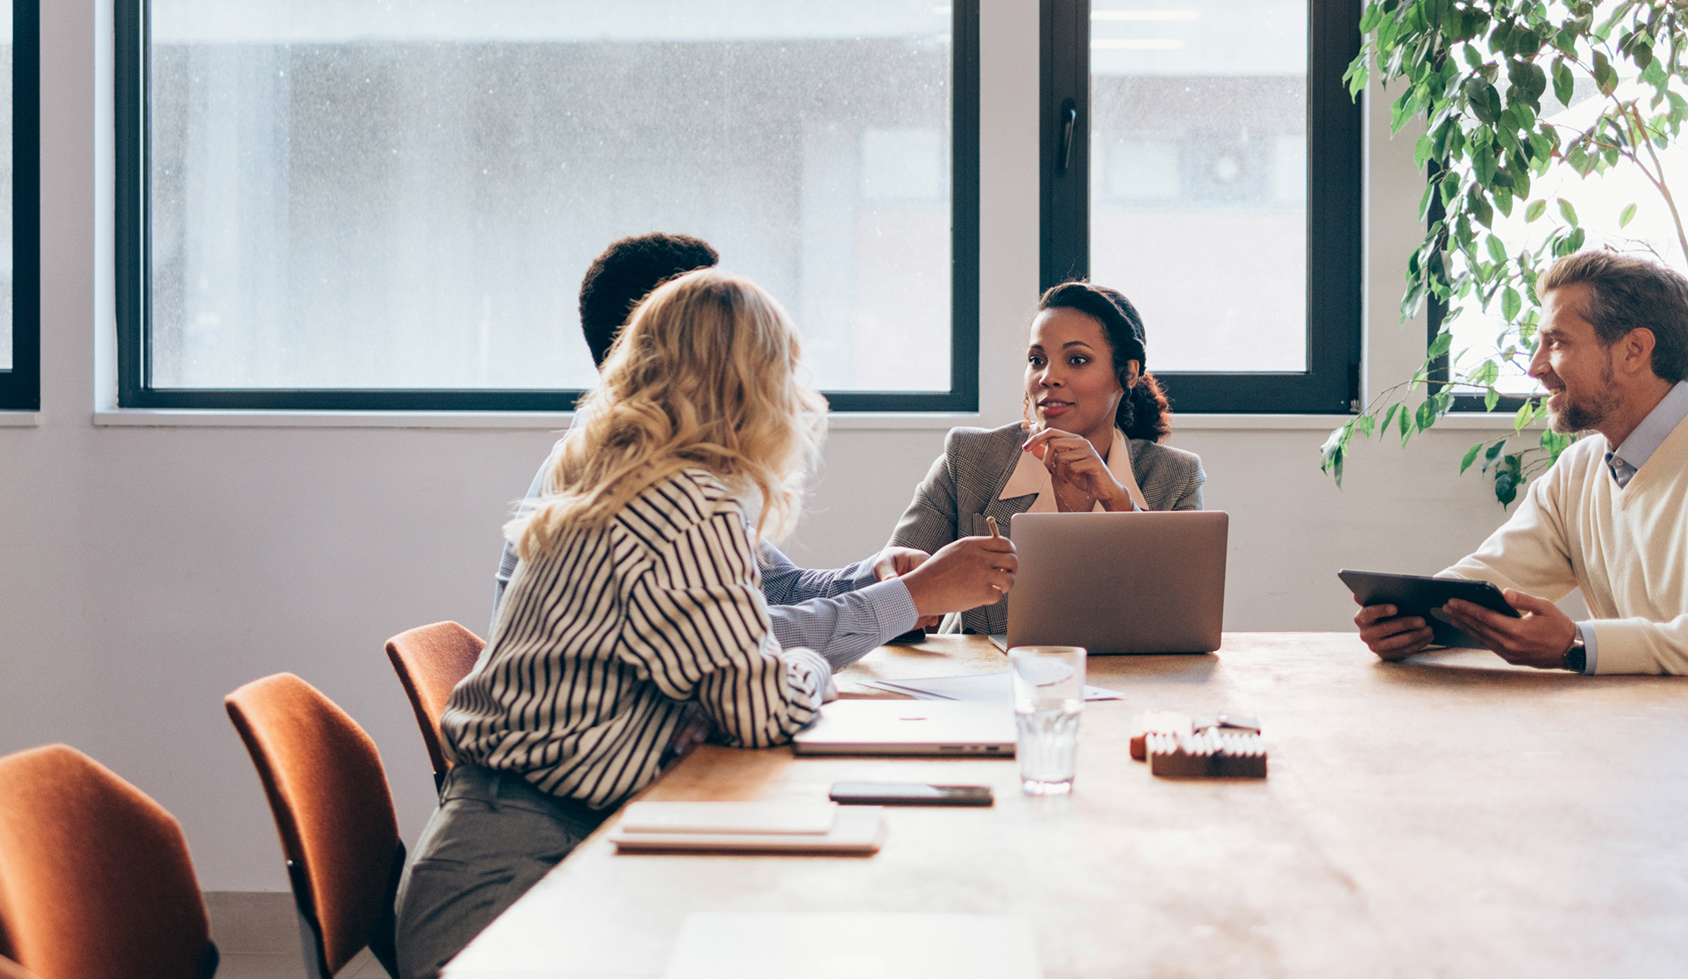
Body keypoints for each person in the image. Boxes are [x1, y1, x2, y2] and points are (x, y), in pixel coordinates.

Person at [396, 270, 840, 977]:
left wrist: (706, 700)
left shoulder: (613, 475)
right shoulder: (689, 503)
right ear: (753, 386)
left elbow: (719, 686)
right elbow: (757, 707)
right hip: (510, 899)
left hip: (494, 856)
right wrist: (811, 667)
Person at [1353, 250, 1688, 724]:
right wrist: (1415, 620)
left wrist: (1578, 645)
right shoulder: (1580, 470)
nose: (1536, 366)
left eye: (1557, 342)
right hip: (1657, 747)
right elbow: (1486, 582)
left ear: (1634, 350)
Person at [496, 233, 1014, 667]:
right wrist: (910, 598)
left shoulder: (668, 461)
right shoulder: (620, 475)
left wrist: (872, 574)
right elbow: (743, 642)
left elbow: (770, 588)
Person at [889, 281, 1208, 637]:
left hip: (1121, 684)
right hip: (984, 681)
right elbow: (887, 596)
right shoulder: (969, 459)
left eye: (1077, 360)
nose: (1048, 377)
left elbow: (1178, 622)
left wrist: (1118, 503)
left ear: (1127, 373)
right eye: (1036, 360)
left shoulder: (1174, 476)